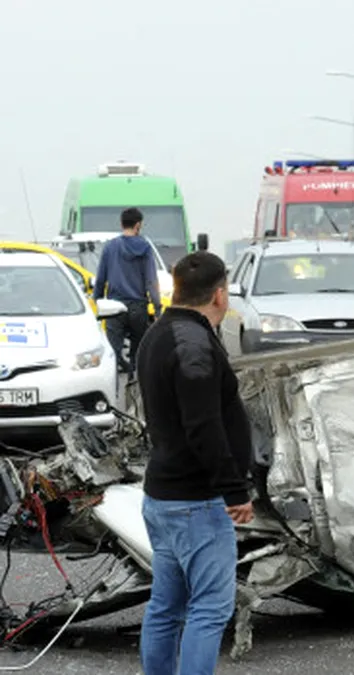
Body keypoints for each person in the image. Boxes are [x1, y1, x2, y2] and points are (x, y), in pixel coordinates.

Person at [135, 251, 253, 675]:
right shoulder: (193, 343)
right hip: (196, 502)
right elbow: (203, 425)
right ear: (220, 294)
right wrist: (234, 488)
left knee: (166, 607)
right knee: (209, 609)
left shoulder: (157, 334)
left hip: (163, 496)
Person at [92, 207, 162, 374]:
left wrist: (97, 301)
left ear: (121, 223)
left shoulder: (110, 248)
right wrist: (157, 307)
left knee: (113, 354)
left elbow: (101, 278)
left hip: (114, 309)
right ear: (138, 225)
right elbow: (151, 280)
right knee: (138, 354)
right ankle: (135, 387)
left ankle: (114, 392)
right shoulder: (145, 248)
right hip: (138, 307)